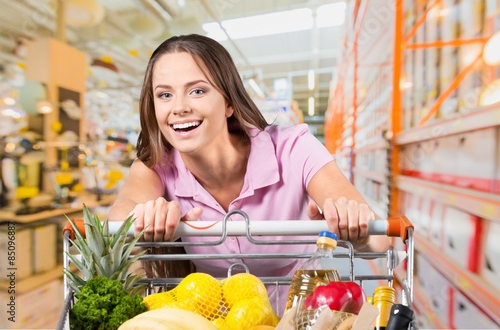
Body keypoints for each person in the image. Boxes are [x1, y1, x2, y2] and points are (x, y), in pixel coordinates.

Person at [108, 33, 390, 313]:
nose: (180, 107)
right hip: (218, 318)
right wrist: (144, 217)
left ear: (229, 102)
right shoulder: (157, 166)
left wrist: (358, 229)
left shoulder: (293, 149)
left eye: (198, 91)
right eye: (165, 94)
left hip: (301, 316)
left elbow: (381, 238)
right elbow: (120, 215)